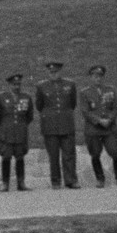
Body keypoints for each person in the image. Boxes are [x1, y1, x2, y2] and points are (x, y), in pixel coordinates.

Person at [35, 59, 77, 190]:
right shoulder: (41, 86)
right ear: (48, 72)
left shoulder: (70, 84)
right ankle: (55, 181)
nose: (53, 74)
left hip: (66, 123)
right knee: (53, 155)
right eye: (51, 72)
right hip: (50, 125)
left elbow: (72, 103)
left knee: (69, 154)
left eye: (56, 72)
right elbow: (39, 105)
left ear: (60, 71)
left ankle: (71, 180)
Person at [79, 63, 117, 187]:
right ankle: (100, 179)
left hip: (109, 128)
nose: (97, 79)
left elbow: (116, 108)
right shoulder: (85, 92)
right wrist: (98, 120)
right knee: (95, 153)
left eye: (100, 76)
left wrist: (109, 119)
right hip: (94, 129)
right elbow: (85, 111)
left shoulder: (110, 90)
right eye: (95, 76)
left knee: (115, 151)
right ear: (91, 77)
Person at [0, 73, 34, 191]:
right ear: (9, 85)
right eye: (14, 84)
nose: (16, 87)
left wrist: (21, 126)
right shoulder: (1, 98)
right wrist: (5, 126)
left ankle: (21, 183)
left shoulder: (26, 97)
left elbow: (29, 116)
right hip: (6, 133)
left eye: (18, 84)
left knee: (20, 157)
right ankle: (5, 183)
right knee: (6, 157)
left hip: (20, 133)